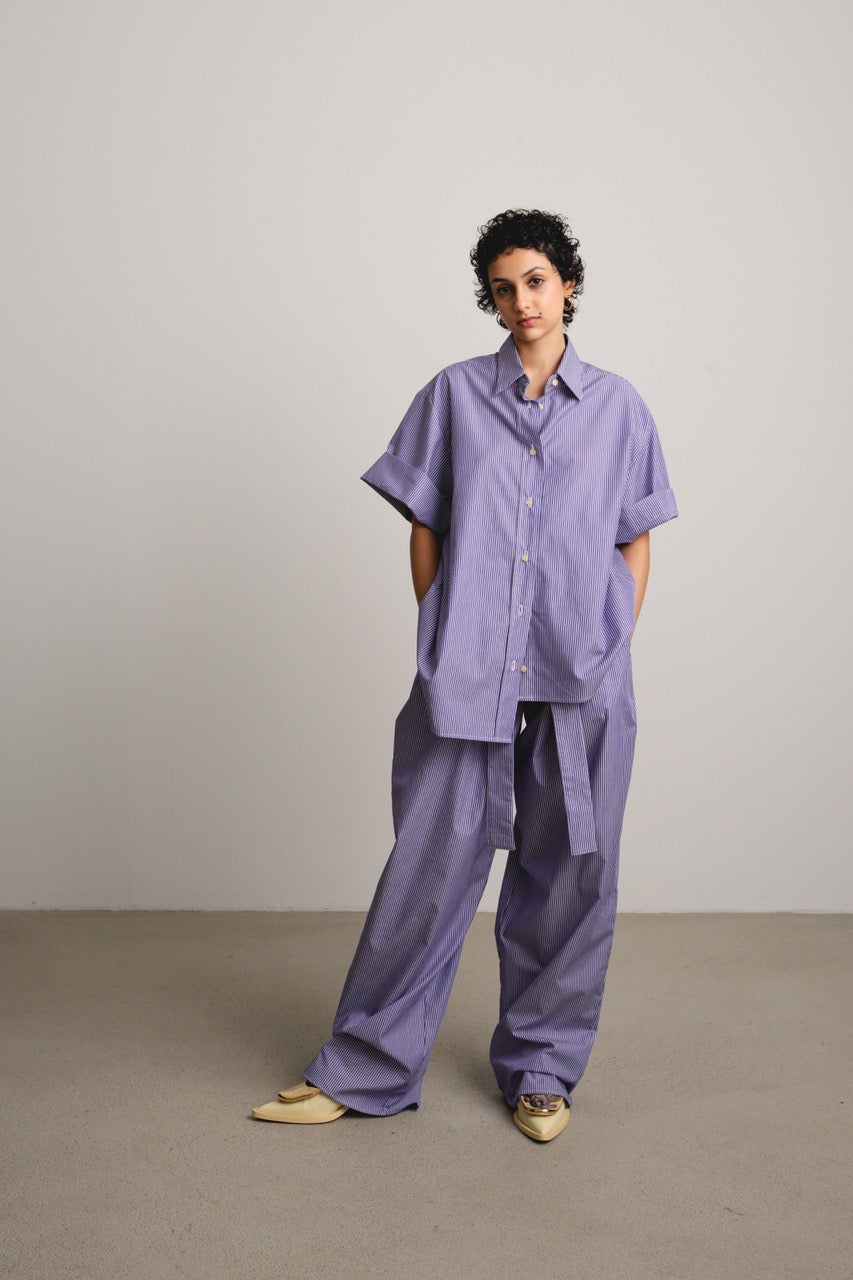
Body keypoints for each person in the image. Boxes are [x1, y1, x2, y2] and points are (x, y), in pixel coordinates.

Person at [252, 208, 678, 1142]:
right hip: (469, 665)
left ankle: (542, 1071)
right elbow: (426, 524)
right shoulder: (452, 395)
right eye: (502, 288)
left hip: (582, 669)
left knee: (569, 872)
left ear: (567, 283)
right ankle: (366, 1066)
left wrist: (612, 638)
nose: (521, 302)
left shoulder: (620, 408)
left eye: (535, 281)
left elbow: (634, 535)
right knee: (429, 864)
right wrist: (443, 627)